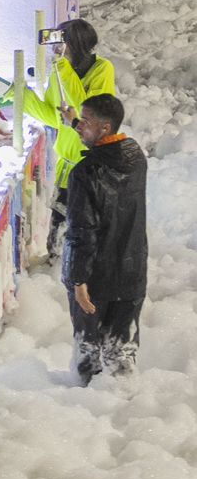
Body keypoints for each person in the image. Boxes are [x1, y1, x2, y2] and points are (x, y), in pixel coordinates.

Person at [63, 93, 147, 384]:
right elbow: (102, 146)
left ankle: (85, 410)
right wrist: (74, 121)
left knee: (90, 350)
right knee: (122, 351)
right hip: (132, 273)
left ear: (105, 128)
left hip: (95, 278)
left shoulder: (85, 173)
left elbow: (82, 231)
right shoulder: (136, 158)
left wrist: (78, 280)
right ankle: (125, 407)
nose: (80, 127)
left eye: (85, 122)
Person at [23, 17, 116, 258]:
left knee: (84, 224)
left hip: (91, 163)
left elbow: (85, 109)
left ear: (73, 46)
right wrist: (20, 96)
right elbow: (57, 117)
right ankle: (57, 266)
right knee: (59, 220)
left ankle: (82, 273)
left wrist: (63, 69)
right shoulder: (60, 69)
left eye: (61, 42)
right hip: (67, 163)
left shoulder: (102, 69)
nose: (55, 48)